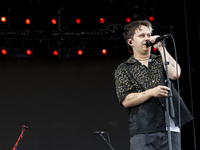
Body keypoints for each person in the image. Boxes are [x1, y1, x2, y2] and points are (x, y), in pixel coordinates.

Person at [114, 20, 193, 150]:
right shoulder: (124, 69)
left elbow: (175, 74)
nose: (147, 38)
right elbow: (126, 100)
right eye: (141, 35)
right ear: (130, 42)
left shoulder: (160, 60)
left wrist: (161, 47)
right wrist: (151, 92)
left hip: (170, 128)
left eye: (148, 34)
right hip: (143, 129)